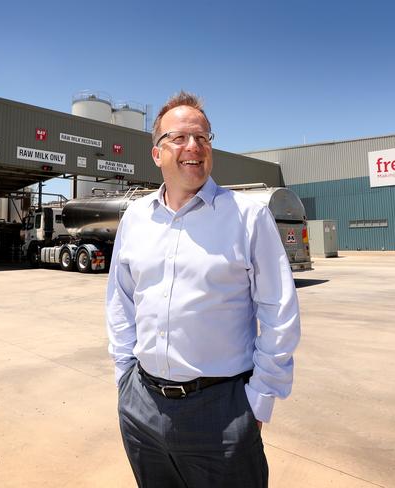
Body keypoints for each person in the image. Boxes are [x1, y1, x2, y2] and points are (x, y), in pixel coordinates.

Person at [106, 91, 301, 488]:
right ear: (157, 153)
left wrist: (259, 401)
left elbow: (279, 310)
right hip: (141, 405)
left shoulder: (248, 216)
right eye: (178, 138)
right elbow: (121, 302)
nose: (193, 146)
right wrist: (125, 378)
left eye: (203, 138)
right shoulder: (136, 219)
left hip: (222, 411)